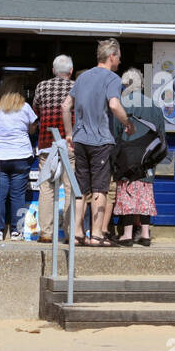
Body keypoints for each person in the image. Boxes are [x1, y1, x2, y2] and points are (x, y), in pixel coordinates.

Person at [62, 38, 134, 246]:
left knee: (80, 188)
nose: (119, 62)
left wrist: (69, 133)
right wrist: (127, 122)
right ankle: (96, 235)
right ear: (112, 56)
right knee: (100, 189)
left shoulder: (82, 78)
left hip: (80, 139)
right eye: (119, 57)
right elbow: (113, 104)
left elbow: (66, 105)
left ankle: (76, 234)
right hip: (101, 140)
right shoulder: (112, 78)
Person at [111, 68, 166, 246]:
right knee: (145, 194)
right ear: (141, 84)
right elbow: (161, 135)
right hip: (148, 157)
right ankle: (145, 234)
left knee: (127, 193)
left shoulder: (120, 104)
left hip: (126, 157)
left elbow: (115, 133)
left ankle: (127, 234)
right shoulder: (154, 105)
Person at [0, 78, 37, 241]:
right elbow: (33, 129)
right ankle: (16, 231)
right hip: (21, 156)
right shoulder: (26, 108)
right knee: (18, 195)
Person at [32, 55, 75, 243]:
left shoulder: (42, 86)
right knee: (70, 187)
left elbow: (35, 111)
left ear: (53, 70)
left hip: (46, 144)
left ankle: (46, 233)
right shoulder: (76, 87)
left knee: (46, 189)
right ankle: (69, 233)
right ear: (71, 71)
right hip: (69, 143)